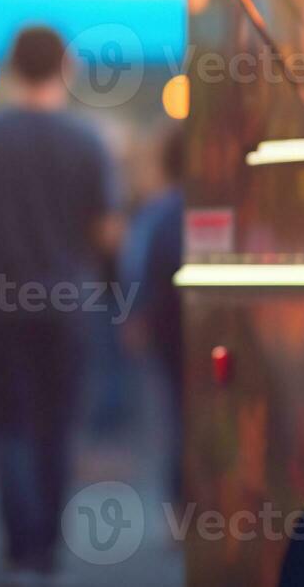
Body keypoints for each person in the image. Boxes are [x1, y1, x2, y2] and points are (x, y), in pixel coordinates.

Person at [0, 26, 122, 581]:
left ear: (10, 67)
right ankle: (47, 545)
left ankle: (19, 547)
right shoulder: (88, 141)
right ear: (65, 67)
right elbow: (109, 232)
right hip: (68, 303)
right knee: (58, 425)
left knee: (10, 426)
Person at [121, 125, 185, 502]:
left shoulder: (157, 211)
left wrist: (136, 316)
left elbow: (136, 265)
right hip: (198, 319)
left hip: (165, 322)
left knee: (174, 414)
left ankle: (181, 507)